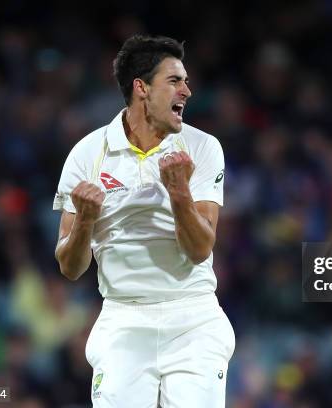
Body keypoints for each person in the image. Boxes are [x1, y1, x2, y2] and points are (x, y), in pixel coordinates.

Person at [52, 34, 234, 407]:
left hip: (193, 317)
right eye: (174, 80)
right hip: (123, 317)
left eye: (185, 80)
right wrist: (85, 220)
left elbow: (201, 249)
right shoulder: (87, 155)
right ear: (141, 88)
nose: (187, 89)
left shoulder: (202, 148)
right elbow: (70, 268)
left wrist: (179, 193)